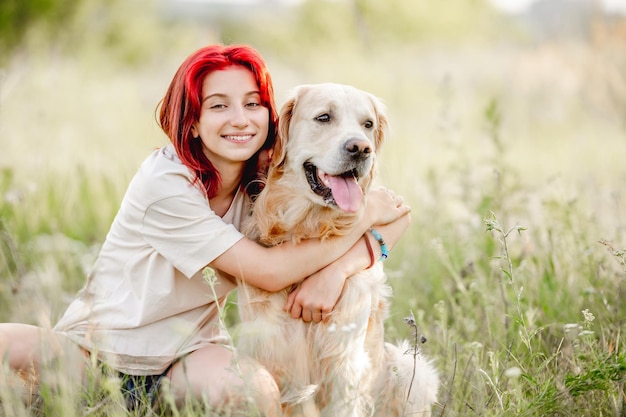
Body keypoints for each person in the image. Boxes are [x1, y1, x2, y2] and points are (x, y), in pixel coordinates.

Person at [0, 44, 411, 415]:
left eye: (252, 104)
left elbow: (398, 216)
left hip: (187, 359)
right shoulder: (164, 185)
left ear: (271, 118)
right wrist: (363, 215)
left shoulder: (271, 178)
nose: (240, 120)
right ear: (192, 122)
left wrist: (338, 270)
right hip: (94, 354)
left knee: (254, 393)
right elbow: (268, 270)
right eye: (218, 106)